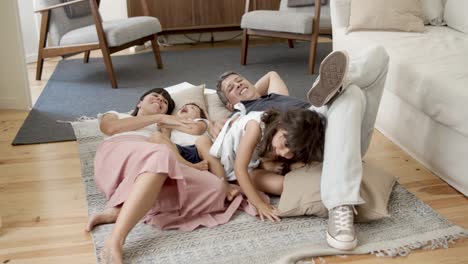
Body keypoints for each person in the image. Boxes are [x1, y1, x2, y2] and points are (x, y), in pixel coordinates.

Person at [213, 47, 390, 251]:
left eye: (239, 80)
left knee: (378, 57)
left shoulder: (273, 97)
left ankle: (338, 84)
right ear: (229, 104)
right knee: (352, 93)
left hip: (320, 114)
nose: (238, 84)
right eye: (231, 88)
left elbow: (272, 75)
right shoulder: (243, 115)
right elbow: (238, 162)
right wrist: (217, 120)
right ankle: (340, 204)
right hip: (314, 139)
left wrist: (250, 89)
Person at [85, 88, 245, 264]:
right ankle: (116, 239)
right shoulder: (117, 115)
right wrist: (160, 117)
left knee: (216, 187)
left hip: (152, 163)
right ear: (139, 102)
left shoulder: (163, 128)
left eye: (164, 103)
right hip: (118, 155)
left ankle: (122, 210)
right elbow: (109, 128)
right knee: (161, 154)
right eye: (155, 96)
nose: (160, 101)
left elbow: (190, 132)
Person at [209, 107, 326, 222]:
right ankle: (236, 183)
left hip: (252, 164)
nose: (285, 153)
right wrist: (259, 204)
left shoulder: (282, 138)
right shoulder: (254, 128)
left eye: (293, 151)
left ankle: (268, 169)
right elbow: (239, 169)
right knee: (276, 183)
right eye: (286, 144)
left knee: (284, 184)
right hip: (229, 163)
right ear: (280, 125)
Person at [148, 102, 240, 200]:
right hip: (178, 154)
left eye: (192, 108)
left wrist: (171, 124)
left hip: (198, 153)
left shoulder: (200, 121)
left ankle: (224, 184)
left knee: (203, 140)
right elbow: (165, 142)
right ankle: (189, 166)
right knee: (156, 137)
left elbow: (196, 129)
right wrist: (166, 129)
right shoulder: (172, 125)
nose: (185, 107)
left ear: (199, 115)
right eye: (183, 106)